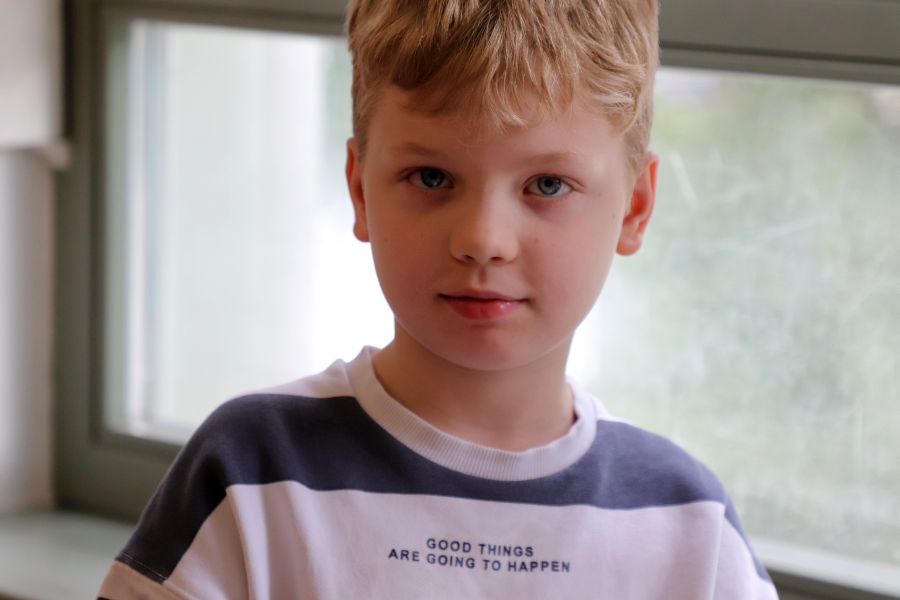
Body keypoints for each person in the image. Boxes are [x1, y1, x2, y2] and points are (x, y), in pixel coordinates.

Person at [99, 0, 779, 598]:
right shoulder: (250, 473)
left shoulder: (691, 528)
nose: (483, 241)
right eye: (431, 177)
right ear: (360, 190)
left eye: (546, 185)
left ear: (634, 208)